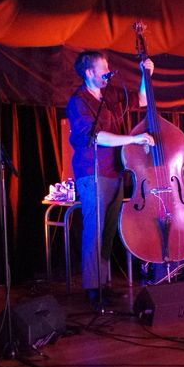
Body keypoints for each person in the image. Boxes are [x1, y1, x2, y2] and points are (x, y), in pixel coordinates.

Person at [66, 51, 155, 305]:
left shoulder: (110, 94)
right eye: (103, 68)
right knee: (94, 230)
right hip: (92, 172)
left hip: (115, 170)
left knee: (108, 231)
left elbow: (142, 100)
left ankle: (103, 283)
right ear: (89, 73)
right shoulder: (79, 102)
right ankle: (93, 288)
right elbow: (97, 137)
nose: (108, 72)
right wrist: (134, 139)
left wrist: (145, 75)